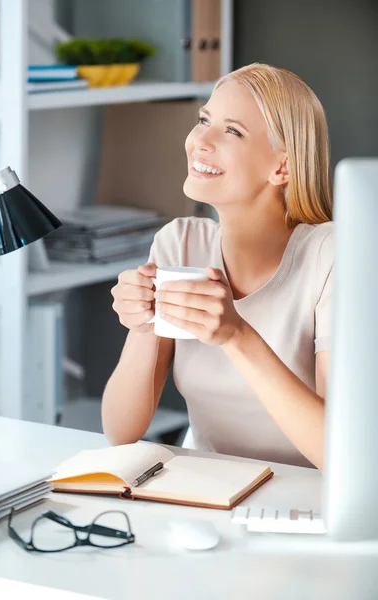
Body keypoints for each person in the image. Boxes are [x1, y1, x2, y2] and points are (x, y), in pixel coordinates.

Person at [102, 63, 333, 471]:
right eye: (204, 120)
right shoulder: (180, 244)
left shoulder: (332, 256)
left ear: (281, 167)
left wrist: (237, 335)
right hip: (215, 495)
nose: (199, 141)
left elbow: (340, 454)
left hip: (310, 505)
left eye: (232, 131)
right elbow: (121, 433)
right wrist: (142, 327)